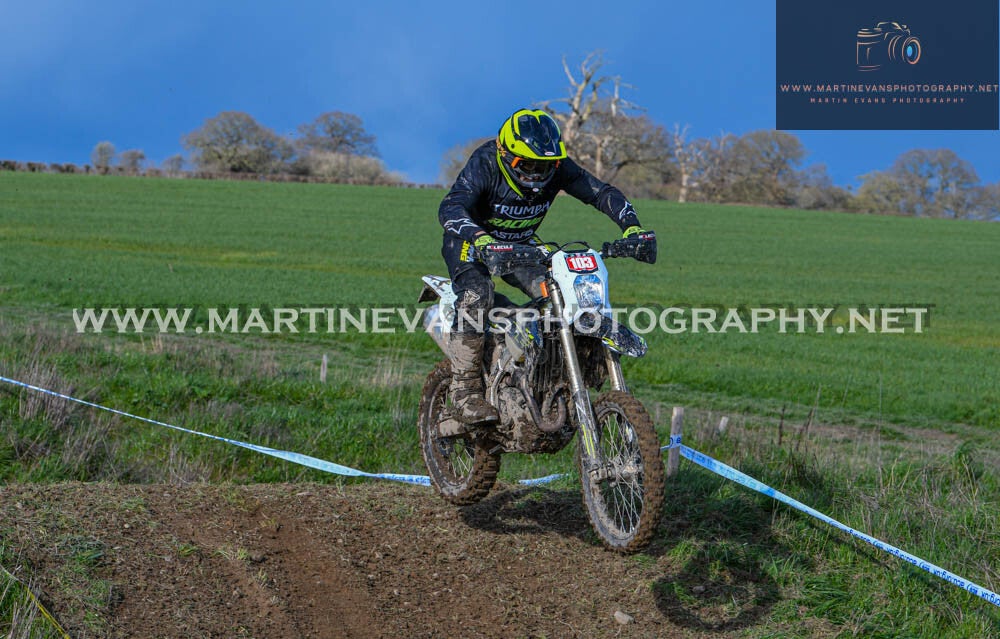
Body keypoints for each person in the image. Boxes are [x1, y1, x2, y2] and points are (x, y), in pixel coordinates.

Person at [438, 108, 657, 424]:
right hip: (471, 243)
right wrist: (480, 237)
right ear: (505, 154)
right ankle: (464, 391)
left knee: (562, 296)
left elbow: (600, 193)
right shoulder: (485, 162)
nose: (537, 175)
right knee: (477, 294)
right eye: (527, 165)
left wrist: (632, 227)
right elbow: (451, 206)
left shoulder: (558, 168)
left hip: (522, 246)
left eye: (545, 166)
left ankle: (545, 376)